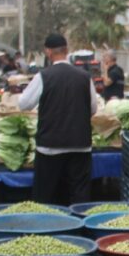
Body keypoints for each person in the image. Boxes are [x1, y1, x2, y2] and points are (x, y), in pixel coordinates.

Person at [18, 33, 99, 205]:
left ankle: (49, 229)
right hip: (80, 146)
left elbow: (23, 104)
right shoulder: (85, 77)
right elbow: (93, 108)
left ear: (48, 52)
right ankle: (80, 229)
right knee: (79, 196)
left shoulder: (44, 76)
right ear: (67, 50)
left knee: (46, 196)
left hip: (50, 146)